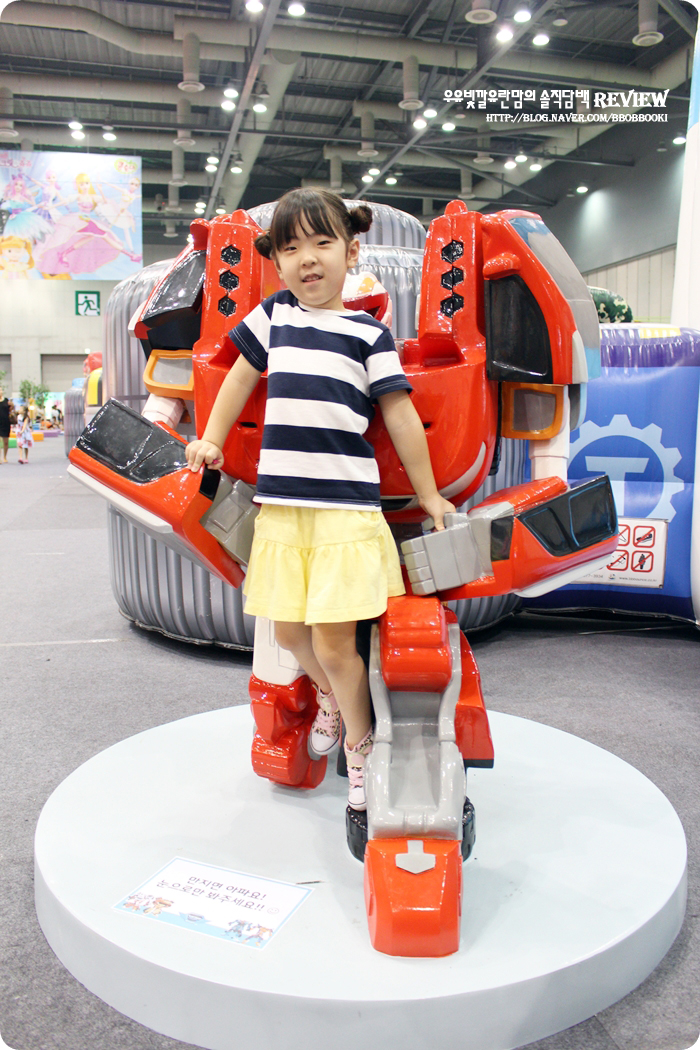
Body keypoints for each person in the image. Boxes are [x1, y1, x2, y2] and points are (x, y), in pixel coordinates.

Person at [186, 188, 454, 811]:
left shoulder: (369, 334)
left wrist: (430, 495)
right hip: (282, 512)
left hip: (344, 514)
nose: (307, 258)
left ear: (350, 252)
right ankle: (330, 698)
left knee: (334, 644)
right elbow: (238, 378)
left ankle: (360, 747)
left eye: (322, 242)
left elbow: (400, 416)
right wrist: (211, 439)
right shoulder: (273, 317)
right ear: (277, 263)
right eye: (290, 248)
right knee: (290, 634)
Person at [0, 387, 10, 463]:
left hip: (6, 423)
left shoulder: (6, 400)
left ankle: (5, 457)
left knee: (6, 442)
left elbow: (11, 409)